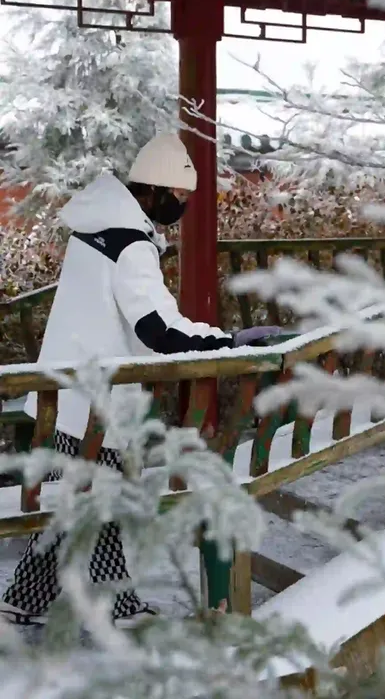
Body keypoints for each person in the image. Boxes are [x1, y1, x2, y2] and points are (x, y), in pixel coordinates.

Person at [0, 132, 278, 626]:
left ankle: (30, 598)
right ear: (153, 190)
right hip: (97, 401)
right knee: (91, 500)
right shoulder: (130, 244)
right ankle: (100, 604)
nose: (182, 206)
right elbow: (159, 329)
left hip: (67, 391)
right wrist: (230, 342)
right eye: (180, 197)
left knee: (81, 501)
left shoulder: (95, 230)